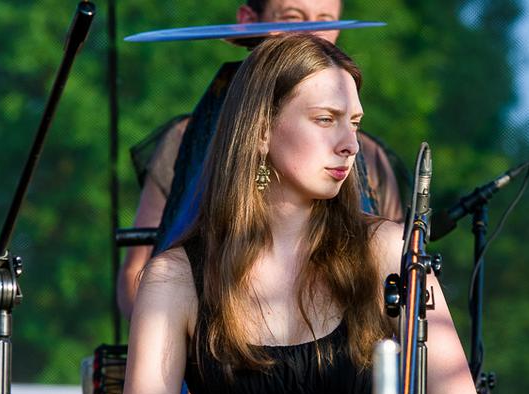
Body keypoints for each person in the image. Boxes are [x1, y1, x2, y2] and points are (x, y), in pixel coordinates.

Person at [116, 34, 486, 394]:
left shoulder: (387, 251)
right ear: (260, 130)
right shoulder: (176, 278)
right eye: (325, 119)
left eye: (354, 123)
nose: (350, 144)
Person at [117, 0, 405, 319]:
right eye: (292, 18)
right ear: (248, 21)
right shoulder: (182, 142)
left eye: (326, 20)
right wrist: (168, 328)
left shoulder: (368, 157)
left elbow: (398, 282)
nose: (311, 34)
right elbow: (135, 274)